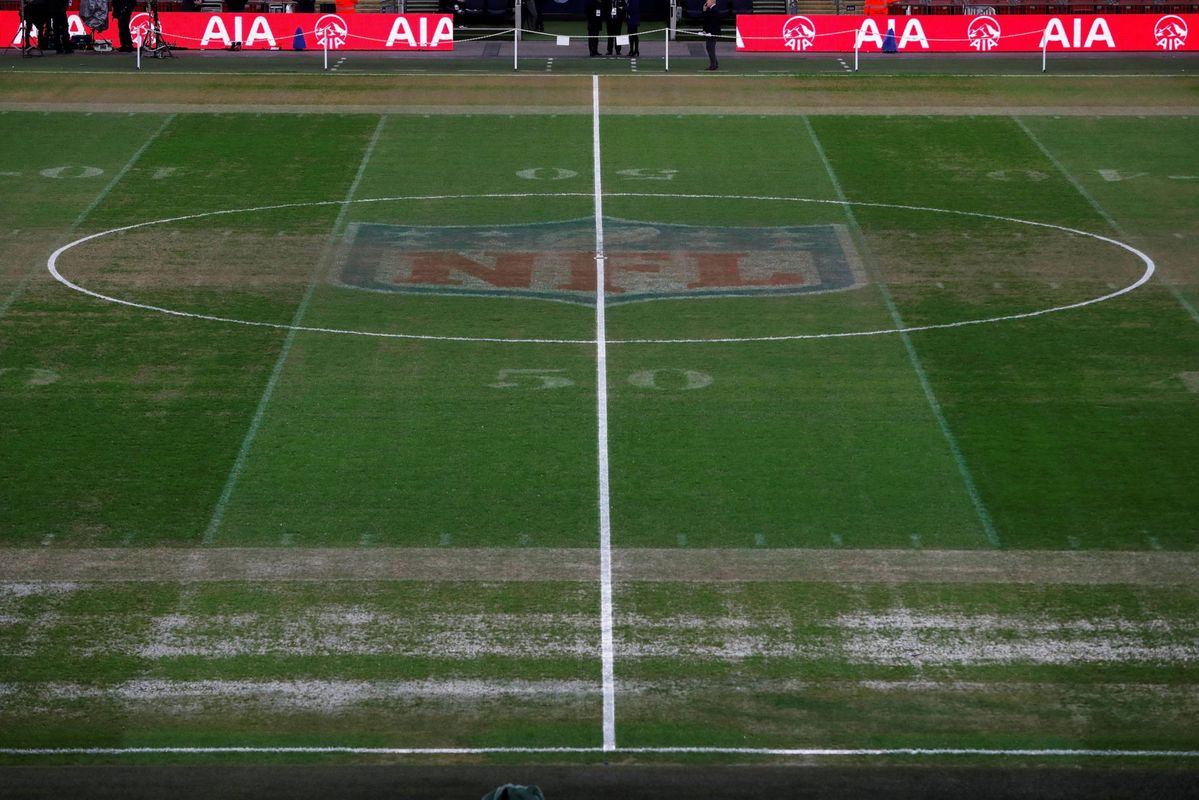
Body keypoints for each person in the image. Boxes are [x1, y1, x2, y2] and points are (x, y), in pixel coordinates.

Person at [701, 0, 719, 71]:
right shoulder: (711, 9)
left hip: (712, 33)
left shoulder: (714, 10)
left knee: (710, 49)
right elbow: (707, 21)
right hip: (710, 33)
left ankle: (713, 66)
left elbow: (712, 22)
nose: (706, 3)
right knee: (710, 49)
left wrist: (709, 32)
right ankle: (715, 64)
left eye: (707, 2)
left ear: (712, 2)